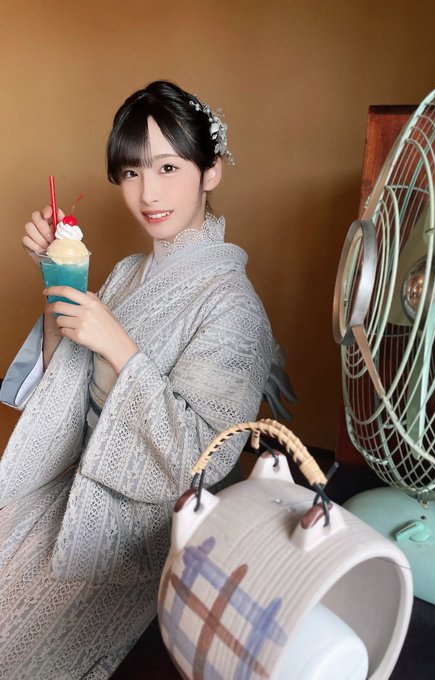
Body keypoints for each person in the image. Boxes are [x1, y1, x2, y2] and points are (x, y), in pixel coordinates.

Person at [0, 80, 293, 679]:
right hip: (72, 484)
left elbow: (201, 459)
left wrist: (118, 345)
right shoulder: (129, 271)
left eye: (168, 167)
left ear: (211, 171)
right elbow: (63, 390)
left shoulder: (234, 307)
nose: (148, 193)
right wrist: (58, 280)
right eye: (132, 172)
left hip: (137, 530)